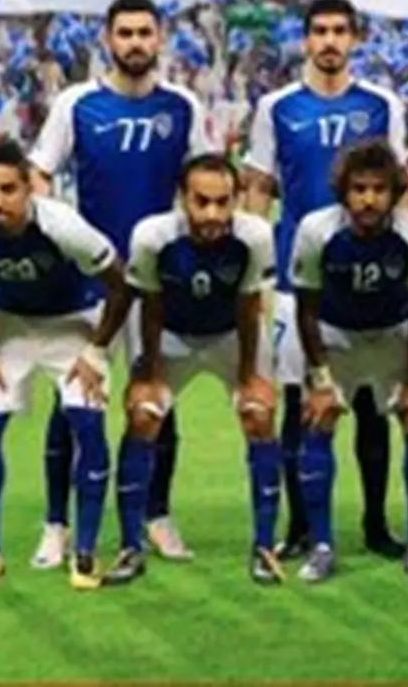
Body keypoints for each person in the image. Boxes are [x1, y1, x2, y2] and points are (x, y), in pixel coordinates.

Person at [29, 0, 211, 569]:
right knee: (71, 400)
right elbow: (40, 174)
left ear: (160, 40)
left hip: (159, 281)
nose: (135, 43)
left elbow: (206, 181)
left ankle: (156, 515)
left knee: (157, 397)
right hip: (90, 282)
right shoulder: (76, 103)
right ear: (108, 40)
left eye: (144, 33)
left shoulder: (183, 106)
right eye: (125, 33)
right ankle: (56, 525)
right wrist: (61, 234)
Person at [243, 0, 408, 560]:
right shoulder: (277, 108)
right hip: (298, 281)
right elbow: (259, 186)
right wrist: (255, 265)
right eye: (320, 31)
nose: (330, 41)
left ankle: (376, 523)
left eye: (340, 31)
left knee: (370, 407)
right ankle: (301, 526)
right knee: (300, 405)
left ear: (355, 38)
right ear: (306, 39)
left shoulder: (382, 105)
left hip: (368, 277)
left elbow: (398, 185)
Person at [0, 141, 130, 592]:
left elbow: (121, 285)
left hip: (73, 321)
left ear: (28, 190)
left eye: (8, 190)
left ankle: (84, 553)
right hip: (8, 322)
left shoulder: (63, 226)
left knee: (88, 424)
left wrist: (96, 351)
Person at [101, 155, 282, 586]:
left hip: (229, 334)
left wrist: (250, 376)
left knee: (259, 416)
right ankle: (130, 547)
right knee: (142, 416)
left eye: (223, 202)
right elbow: (150, 304)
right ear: (183, 199)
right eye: (202, 201)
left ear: (237, 199)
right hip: (170, 334)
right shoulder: (152, 236)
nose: (213, 214)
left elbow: (249, 304)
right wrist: (148, 374)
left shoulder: (255, 236)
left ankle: (263, 547)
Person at [287, 141, 408, 584]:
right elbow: (306, 309)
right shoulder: (316, 230)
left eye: (378, 189)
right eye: (358, 189)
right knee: (319, 419)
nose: (368, 199)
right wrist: (320, 379)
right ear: (343, 192)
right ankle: (321, 545)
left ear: (395, 192)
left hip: (394, 335)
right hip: (336, 336)